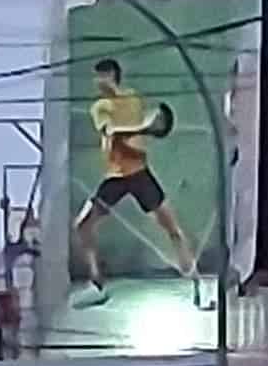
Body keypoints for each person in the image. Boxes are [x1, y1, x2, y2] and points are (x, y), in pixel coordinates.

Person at [72, 56, 197, 289]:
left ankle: (192, 273)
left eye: (100, 76)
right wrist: (143, 128)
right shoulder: (99, 107)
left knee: (172, 227)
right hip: (115, 177)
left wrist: (141, 133)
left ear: (111, 76)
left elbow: (136, 139)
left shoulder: (133, 100)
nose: (97, 82)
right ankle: (96, 276)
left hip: (140, 173)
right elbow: (110, 130)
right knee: (82, 225)